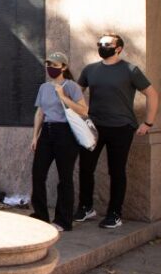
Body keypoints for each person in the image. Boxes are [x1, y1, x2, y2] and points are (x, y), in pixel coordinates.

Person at [75, 33, 158, 229]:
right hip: (93, 127)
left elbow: (152, 94)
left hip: (121, 128)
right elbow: (76, 93)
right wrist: (79, 116)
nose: (102, 46)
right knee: (86, 168)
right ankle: (86, 207)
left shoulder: (130, 70)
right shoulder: (90, 69)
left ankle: (115, 214)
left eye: (107, 44)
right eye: (100, 43)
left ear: (118, 48)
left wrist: (148, 123)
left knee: (117, 171)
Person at [30, 52, 88, 232]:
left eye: (55, 65)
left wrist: (63, 96)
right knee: (38, 174)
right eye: (48, 64)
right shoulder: (44, 87)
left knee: (65, 177)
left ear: (63, 67)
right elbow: (40, 112)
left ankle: (63, 220)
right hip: (47, 133)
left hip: (66, 134)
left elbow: (84, 111)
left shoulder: (71, 86)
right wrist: (35, 136)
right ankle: (40, 215)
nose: (51, 68)